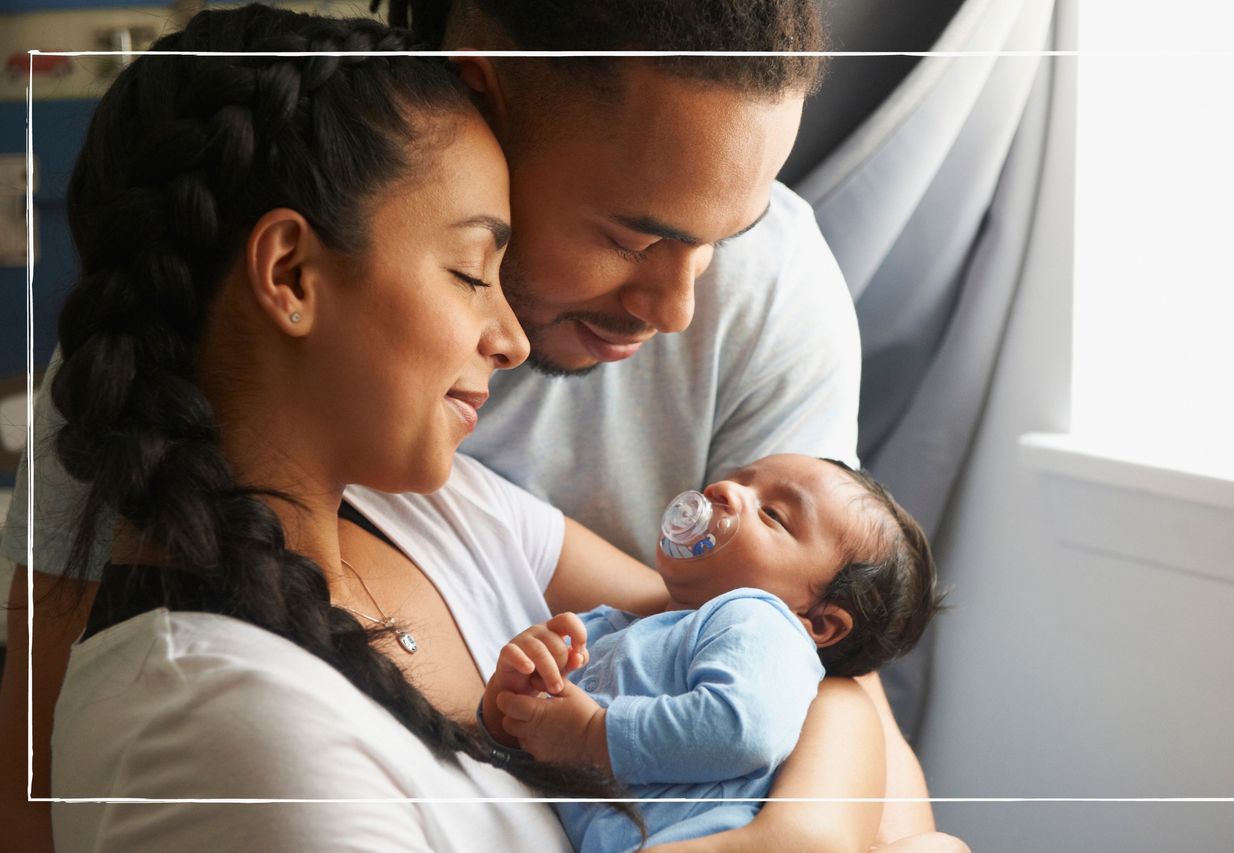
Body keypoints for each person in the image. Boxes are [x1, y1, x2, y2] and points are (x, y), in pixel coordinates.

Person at [2, 0, 950, 850]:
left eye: (719, 244)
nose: (677, 309)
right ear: (479, 98)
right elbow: (41, 785)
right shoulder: (170, 361)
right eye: (629, 236)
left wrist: (808, 832)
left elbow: (819, 629)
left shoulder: (462, 511)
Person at [481, 455, 946, 852]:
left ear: (819, 622)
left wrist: (595, 734)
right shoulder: (613, 625)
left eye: (773, 516)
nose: (725, 490)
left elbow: (742, 729)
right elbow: (530, 743)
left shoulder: (759, 619)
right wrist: (512, 696)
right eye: (741, 479)